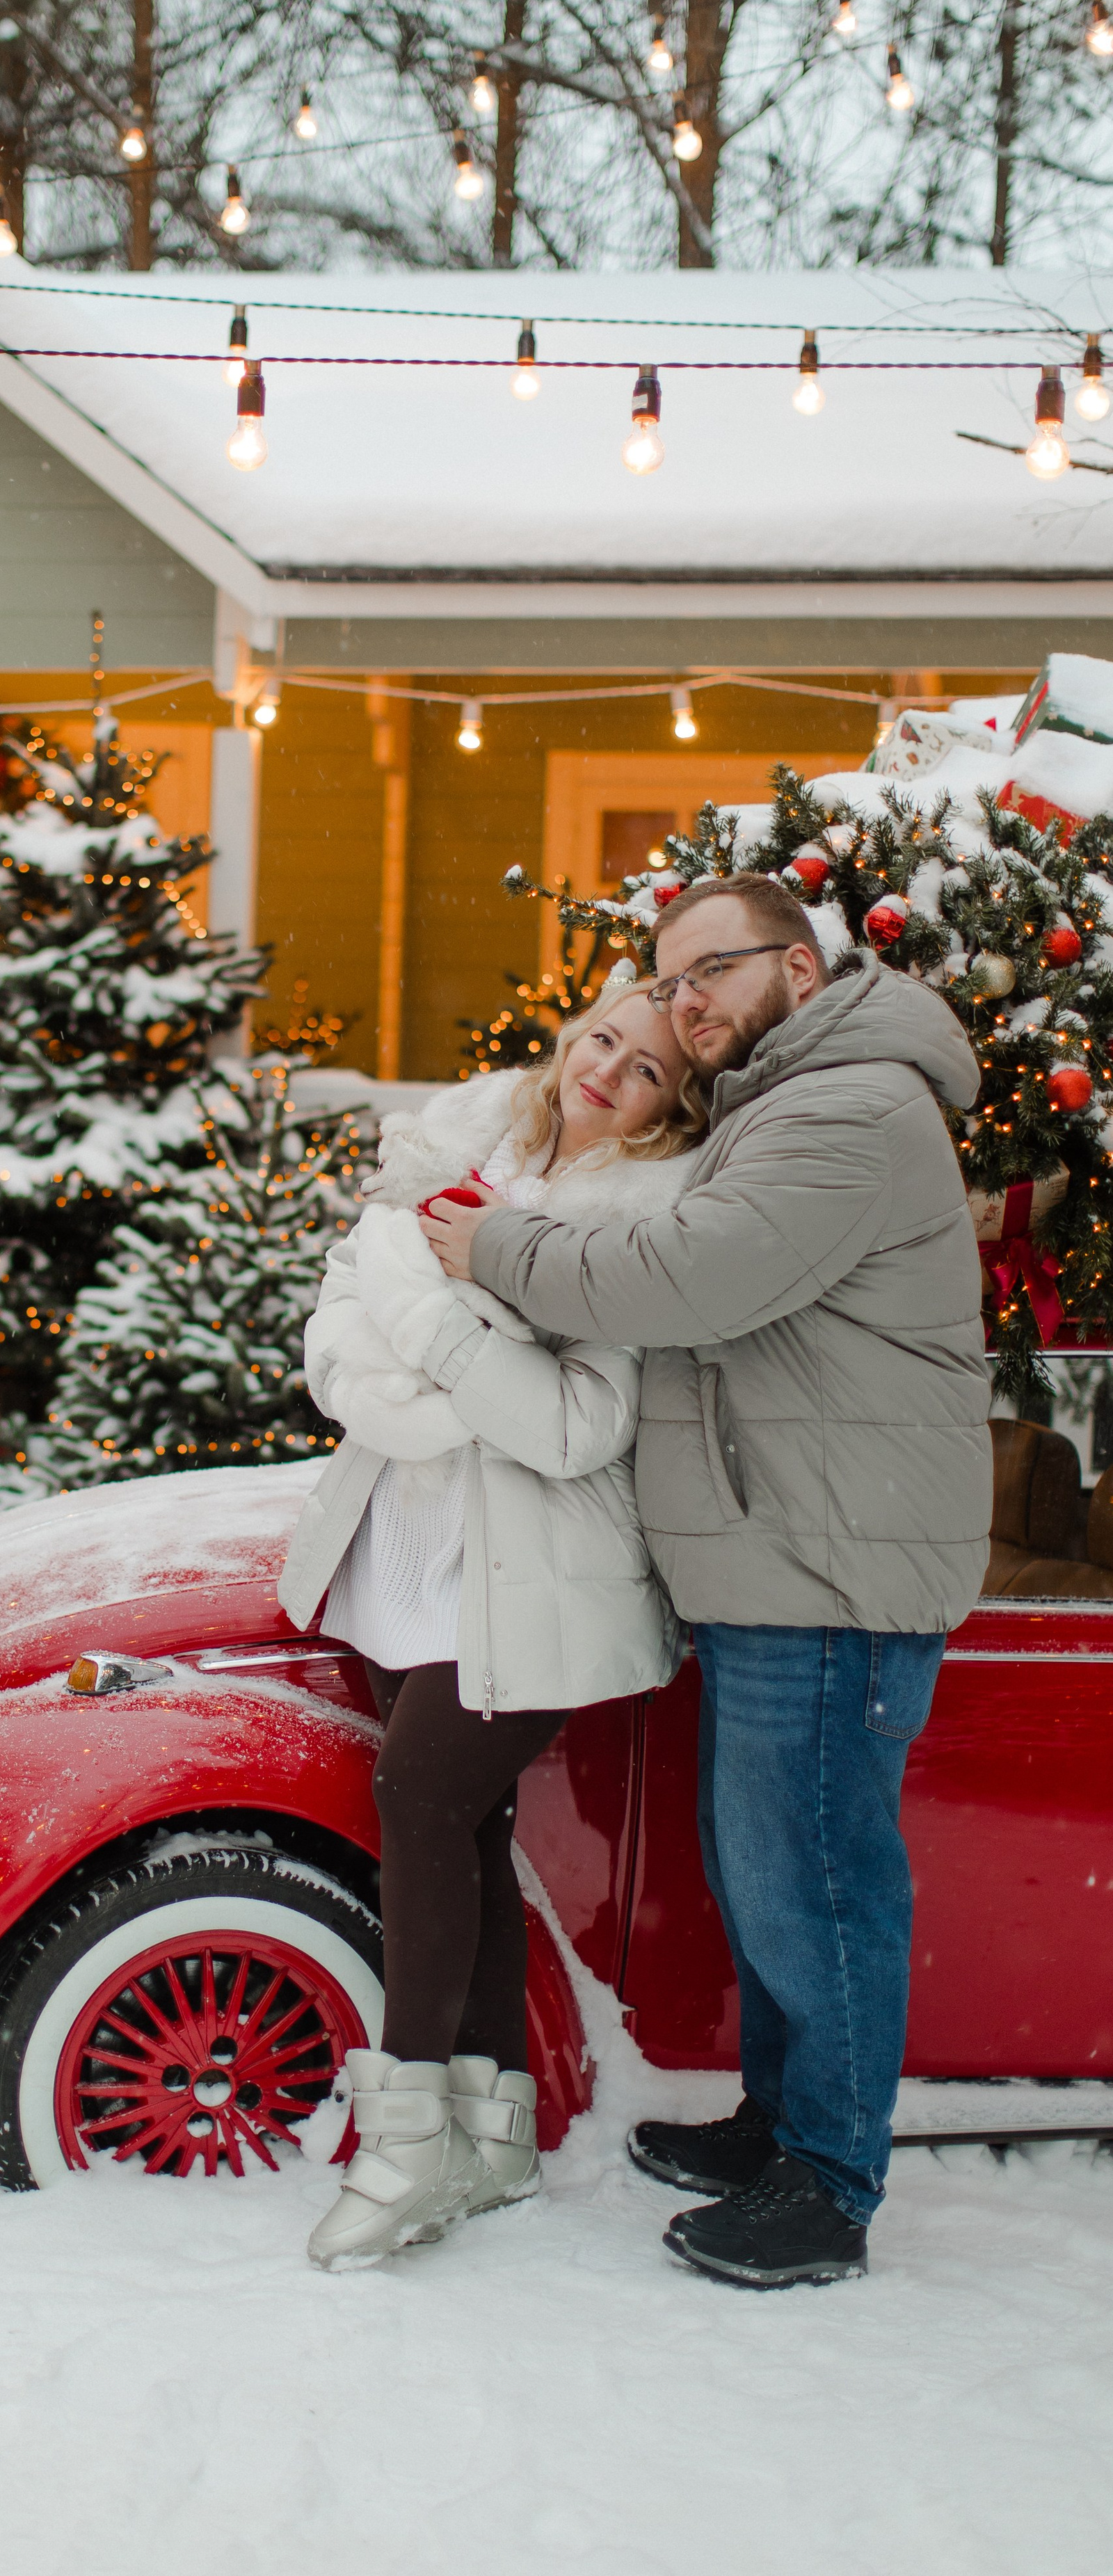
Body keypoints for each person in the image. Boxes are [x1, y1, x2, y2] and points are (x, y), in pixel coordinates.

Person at [424, 873, 991, 2290]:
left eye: (708, 973)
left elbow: (686, 1273)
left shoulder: (851, 1108)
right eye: (666, 980)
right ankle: (778, 2123)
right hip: (781, 1549)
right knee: (767, 1872)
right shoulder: (791, 1102)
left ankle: (827, 2181)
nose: (680, 1005)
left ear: (797, 970)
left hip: (826, 1558)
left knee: (814, 1879)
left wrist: (492, 1244)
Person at [280, 976, 707, 2271]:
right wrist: (415, 1362)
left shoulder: (639, 1228)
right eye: (602, 1040)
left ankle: (407, 2142)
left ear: (668, 1106)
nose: (606, 1072)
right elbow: (336, 1329)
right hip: (416, 1541)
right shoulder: (466, 1149)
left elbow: (581, 1428)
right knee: (467, 1820)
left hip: (533, 1576)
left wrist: (434, 1327)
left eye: (642, 1070)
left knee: (417, 1797)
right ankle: (493, 2135)